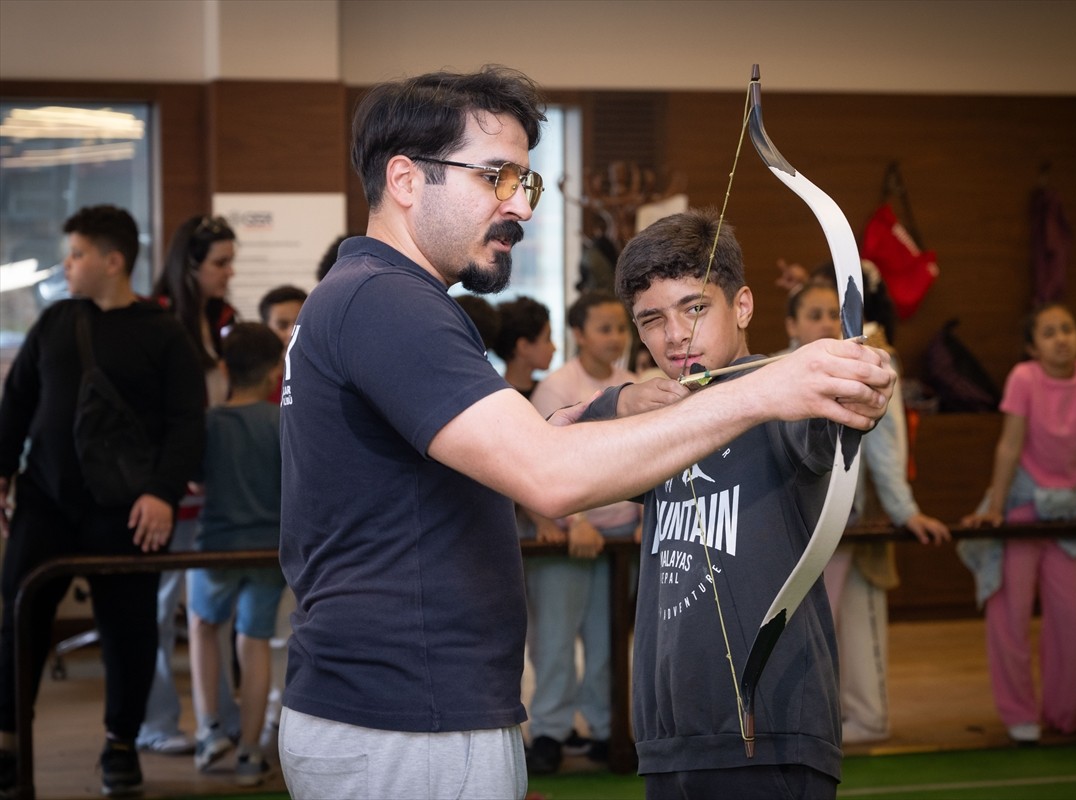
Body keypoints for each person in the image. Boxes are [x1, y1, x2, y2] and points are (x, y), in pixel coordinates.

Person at [277, 67, 893, 800]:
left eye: (525, 183)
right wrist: (763, 388)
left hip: (414, 714)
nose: (519, 208)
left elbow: (514, 447)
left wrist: (618, 407)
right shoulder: (388, 302)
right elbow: (550, 478)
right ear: (407, 180)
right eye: (496, 177)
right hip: (409, 719)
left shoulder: (375, 298)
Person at [573, 208, 884, 798]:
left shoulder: (784, 398)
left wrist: (856, 388)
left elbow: (827, 425)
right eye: (651, 320)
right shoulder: (658, 418)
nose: (675, 336)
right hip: (670, 737)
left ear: (741, 306)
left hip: (771, 729)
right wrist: (621, 403)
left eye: (695, 308)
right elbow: (552, 453)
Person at [0, 205, 206, 797]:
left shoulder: (163, 334)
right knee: (18, 618)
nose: (67, 265)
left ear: (113, 261)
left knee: (130, 630)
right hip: (46, 500)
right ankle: (9, 741)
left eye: (77, 254)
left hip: (128, 510)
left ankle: (121, 744)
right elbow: (17, 402)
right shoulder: (56, 322)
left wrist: (162, 493)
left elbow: (186, 424)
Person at [783, 279, 950, 745]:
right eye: (811, 314)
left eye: (830, 314)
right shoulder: (771, 372)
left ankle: (865, 718)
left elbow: (885, 447)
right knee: (800, 629)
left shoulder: (866, 366)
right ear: (791, 324)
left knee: (856, 623)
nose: (823, 323)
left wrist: (905, 511)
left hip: (851, 520)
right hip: (792, 525)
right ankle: (805, 720)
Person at [961, 302, 1076, 743]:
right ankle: (1018, 712)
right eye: (1049, 332)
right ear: (1033, 347)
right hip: (1021, 506)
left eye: (1067, 329)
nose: (1061, 338)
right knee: (1010, 616)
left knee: (1071, 617)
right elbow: (1009, 446)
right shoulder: (1024, 379)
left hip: (1072, 512)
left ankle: (1068, 710)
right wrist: (995, 507)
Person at [524, 291, 641, 774]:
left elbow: (641, 460)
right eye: (604, 327)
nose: (615, 337)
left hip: (620, 540)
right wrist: (578, 521)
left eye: (621, 327)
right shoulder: (555, 388)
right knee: (554, 639)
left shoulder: (632, 385)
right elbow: (540, 464)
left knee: (608, 641)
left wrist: (643, 520)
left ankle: (606, 728)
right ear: (578, 334)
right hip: (569, 538)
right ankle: (549, 732)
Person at [137, 214, 241, 755]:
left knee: (209, 612)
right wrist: (174, 474)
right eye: (220, 263)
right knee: (156, 611)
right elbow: (153, 414)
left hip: (216, 490)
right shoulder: (154, 321)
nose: (229, 273)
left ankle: (219, 723)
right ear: (191, 265)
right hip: (169, 490)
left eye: (231, 262)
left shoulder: (225, 319)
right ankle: (154, 724)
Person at [188, 322, 287, 786]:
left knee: (204, 627)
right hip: (269, 550)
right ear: (275, 372)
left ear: (225, 367)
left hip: (216, 548)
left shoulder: (207, 425)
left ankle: (210, 729)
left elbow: (194, 482)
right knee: (255, 641)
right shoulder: (282, 423)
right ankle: (250, 752)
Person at [495, 295, 555, 398]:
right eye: (547, 339)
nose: (554, 347)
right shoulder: (500, 397)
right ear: (524, 346)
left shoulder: (549, 392)